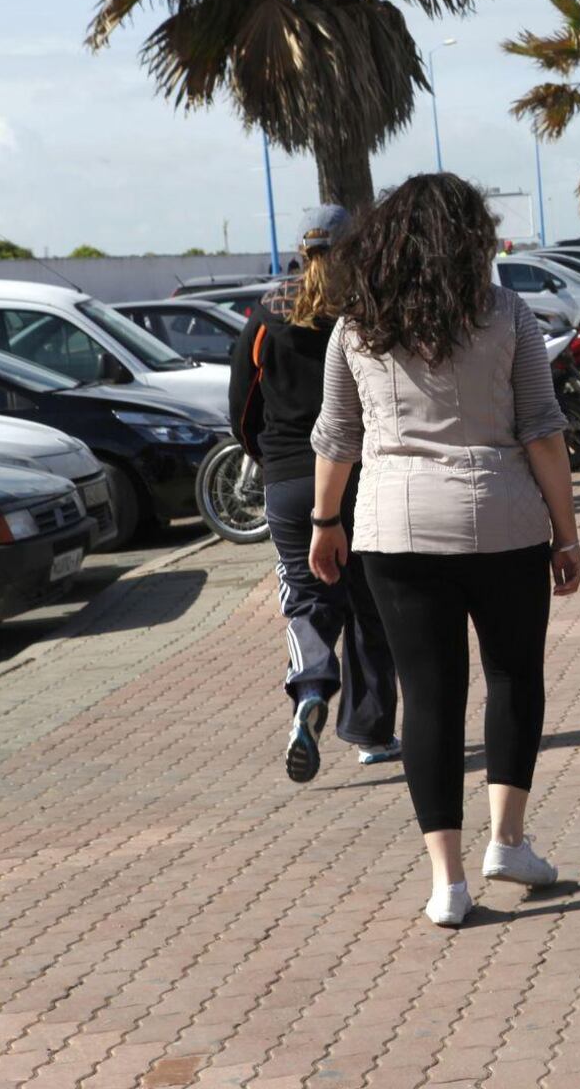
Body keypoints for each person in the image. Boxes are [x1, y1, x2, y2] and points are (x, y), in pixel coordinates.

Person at [307, 173, 580, 928]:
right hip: (504, 519)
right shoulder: (507, 315)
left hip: (394, 527)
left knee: (429, 697)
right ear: (471, 240)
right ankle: (510, 839)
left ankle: (448, 882)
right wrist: (566, 532)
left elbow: (338, 436)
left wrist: (324, 522)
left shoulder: (356, 326)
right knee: (513, 676)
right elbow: (542, 428)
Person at [228, 206, 400, 783]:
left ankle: (309, 690)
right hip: (357, 475)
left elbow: (241, 408)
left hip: (287, 481)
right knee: (371, 604)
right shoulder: (369, 310)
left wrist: (270, 460)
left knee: (306, 598)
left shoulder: (266, 314)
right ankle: (372, 734)